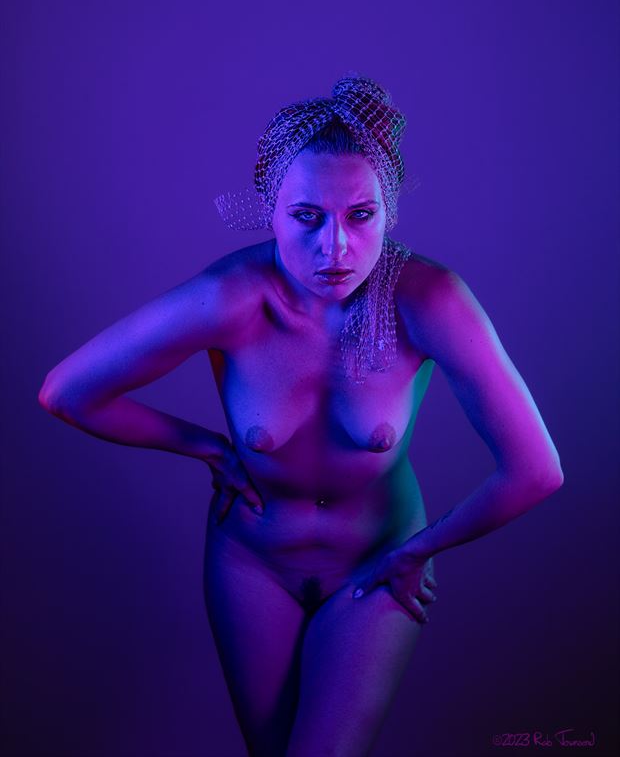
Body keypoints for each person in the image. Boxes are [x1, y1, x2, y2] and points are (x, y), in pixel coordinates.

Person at [38, 74, 564, 757]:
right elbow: (66, 391)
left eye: (361, 216)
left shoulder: (429, 300)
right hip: (252, 563)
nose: (335, 248)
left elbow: (536, 470)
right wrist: (204, 445)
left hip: (377, 562)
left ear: (390, 208)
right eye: (307, 217)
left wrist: (421, 549)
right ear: (270, 208)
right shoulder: (232, 296)